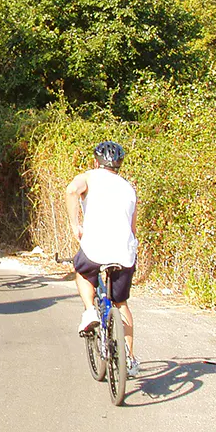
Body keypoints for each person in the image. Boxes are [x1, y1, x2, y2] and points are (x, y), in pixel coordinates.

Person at [66, 141, 140, 377]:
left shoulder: (88, 177)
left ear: (95, 161)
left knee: (82, 271)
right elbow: (132, 228)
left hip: (95, 247)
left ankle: (90, 311)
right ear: (119, 164)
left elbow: (71, 190)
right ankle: (129, 358)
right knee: (121, 303)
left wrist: (75, 225)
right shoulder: (129, 188)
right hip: (124, 251)